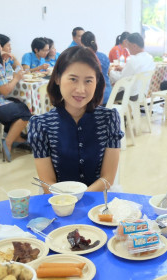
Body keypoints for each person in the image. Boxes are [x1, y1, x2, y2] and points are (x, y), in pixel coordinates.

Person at [28, 46, 123, 192]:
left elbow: (107, 178)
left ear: (97, 81)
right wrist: (68, 202)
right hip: (59, 203)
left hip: (98, 204)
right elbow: (47, 183)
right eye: (73, 79)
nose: (80, 89)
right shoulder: (40, 125)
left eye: (88, 81)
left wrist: (81, 198)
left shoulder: (109, 119)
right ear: (58, 78)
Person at [109, 33, 155, 101]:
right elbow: (136, 71)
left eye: (129, 46)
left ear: (134, 46)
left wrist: (110, 71)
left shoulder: (133, 60)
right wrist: (124, 69)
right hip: (142, 93)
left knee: (107, 92)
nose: (128, 49)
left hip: (130, 94)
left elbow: (121, 79)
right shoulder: (150, 58)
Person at [81, 31, 112, 105]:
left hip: (95, 96)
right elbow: (107, 71)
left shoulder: (82, 58)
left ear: (82, 44)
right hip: (108, 94)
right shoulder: (104, 56)